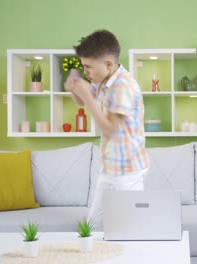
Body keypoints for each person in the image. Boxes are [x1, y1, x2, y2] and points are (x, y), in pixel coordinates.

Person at [64, 29, 149, 230]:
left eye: (88, 67)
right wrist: (74, 89)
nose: (86, 72)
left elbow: (110, 129)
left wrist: (85, 96)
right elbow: (83, 101)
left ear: (108, 64)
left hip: (128, 172)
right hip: (109, 168)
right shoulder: (103, 81)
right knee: (91, 228)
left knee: (128, 232)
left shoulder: (123, 87)